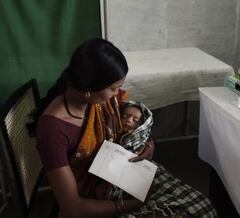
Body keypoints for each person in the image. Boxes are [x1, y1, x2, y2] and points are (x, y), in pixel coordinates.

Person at [35, 38, 217, 217]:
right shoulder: (53, 130)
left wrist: (148, 146)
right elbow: (73, 208)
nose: (118, 94)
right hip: (92, 200)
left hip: (122, 173)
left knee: (204, 207)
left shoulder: (101, 98)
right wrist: (132, 204)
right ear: (89, 88)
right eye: (114, 88)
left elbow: (129, 130)